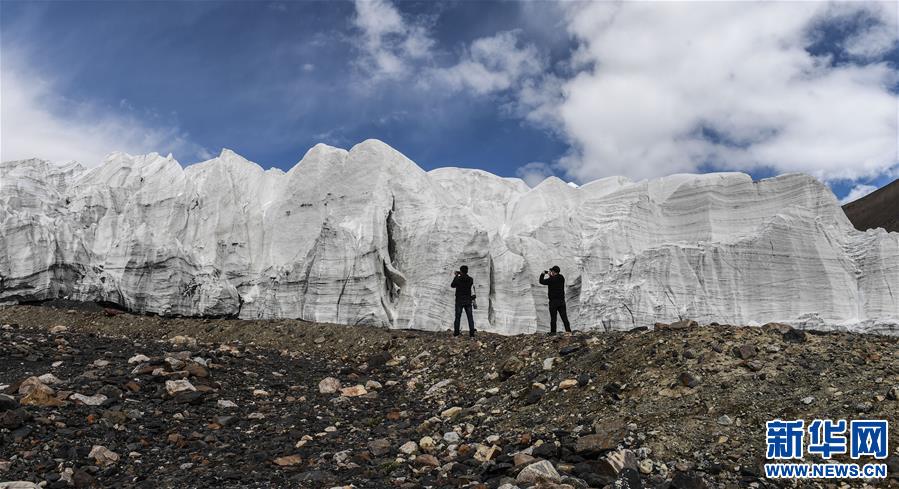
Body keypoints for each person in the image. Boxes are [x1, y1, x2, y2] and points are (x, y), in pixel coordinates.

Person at [539, 265, 571, 335]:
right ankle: (568, 331)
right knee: (564, 317)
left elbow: (541, 281)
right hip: (561, 301)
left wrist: (543, 274)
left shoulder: (551, 279)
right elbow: (555, 280)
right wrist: (551, 276)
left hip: (553, 302)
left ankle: (553, 333)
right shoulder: (561, 277)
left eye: (552, 271)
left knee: (553, 318)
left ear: (553, 271)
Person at [451, 265, 475, 337]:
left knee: (458, 317)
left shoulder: (458, 279)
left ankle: (456, 333)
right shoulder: (471, 279)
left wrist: (456, 275)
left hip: (459, 301)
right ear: (467, 271)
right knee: (470, 317)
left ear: (461, 271)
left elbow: (452, 285)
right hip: (468, 301)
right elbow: (471, 287)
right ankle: (472, 334)